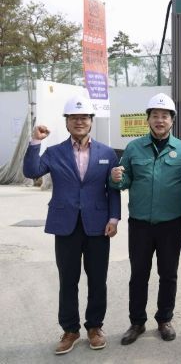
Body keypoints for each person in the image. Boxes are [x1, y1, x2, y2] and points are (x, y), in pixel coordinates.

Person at [23, 96, 120, 355]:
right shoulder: (54, 152)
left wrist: (114, 218)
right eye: (74, 118)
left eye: (84, 118)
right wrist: (35, 142)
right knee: (68, 280)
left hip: (98, 225)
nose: (79, 122)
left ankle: (95, 327)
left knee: (97, 279)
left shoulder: (107, 153)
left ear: (91, 121)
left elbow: (113, 189)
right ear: (67, 122)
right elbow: (31, 172)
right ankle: (70, 330)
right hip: (65, 224)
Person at [110, 93, 181, 345]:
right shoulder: (133, 148)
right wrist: (116, 178)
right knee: (138, 274)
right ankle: (137, 322)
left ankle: (164, 319)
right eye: (155, 116)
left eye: (165, 116)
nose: (160, 120)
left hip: (171, 224)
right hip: (140, 224)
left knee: (168, 274)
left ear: (172, 120)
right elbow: (124, 180)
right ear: (148, 119)